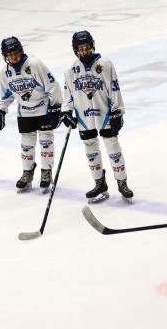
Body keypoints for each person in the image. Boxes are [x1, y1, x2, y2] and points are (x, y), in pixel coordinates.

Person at [61, 30, 133, 203]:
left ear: (92, 46)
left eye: (87, 48)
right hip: (84, 118)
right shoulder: (71, 70)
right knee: (91, 150)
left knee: (113, 148)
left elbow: (114, 88)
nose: (85, 51)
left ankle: (122, 182)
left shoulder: (105, 64)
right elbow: (68, 95)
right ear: (76, 49)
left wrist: (117, 111)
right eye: (81, 49)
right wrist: (66, 112)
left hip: (105, 114)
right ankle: (99, 183)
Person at [0, 36, 62, 192]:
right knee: (26, 145)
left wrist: (56, 107)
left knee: (46, 142)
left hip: (43, 109)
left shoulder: (34, 64)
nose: (14, 57)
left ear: (21, 50)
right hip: (24, 112)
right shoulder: (4, 72)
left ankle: (46, 171)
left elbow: (53, 86)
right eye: (10, 55)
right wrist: (1, 109)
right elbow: (7, 94)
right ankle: (27, 172)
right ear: (5, 56)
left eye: (16, 53)